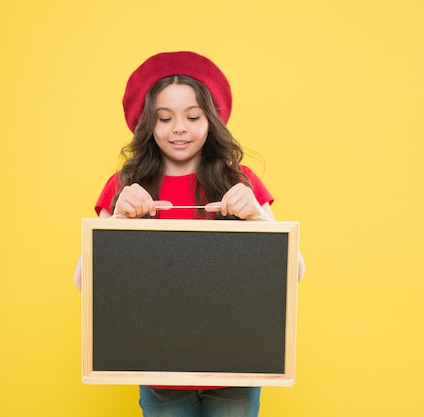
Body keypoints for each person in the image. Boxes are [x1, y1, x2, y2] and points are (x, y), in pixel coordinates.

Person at [74, 51, 305, 417]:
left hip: (235, 369)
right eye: (164, 118)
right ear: (148, 124)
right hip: (157, 368)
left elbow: (295, 272)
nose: (179, 128)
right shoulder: (125, 187)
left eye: (193, 117)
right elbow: (83, 282)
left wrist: (258, 219)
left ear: (211, 120)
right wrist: (118, 220)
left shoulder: (238, 182)